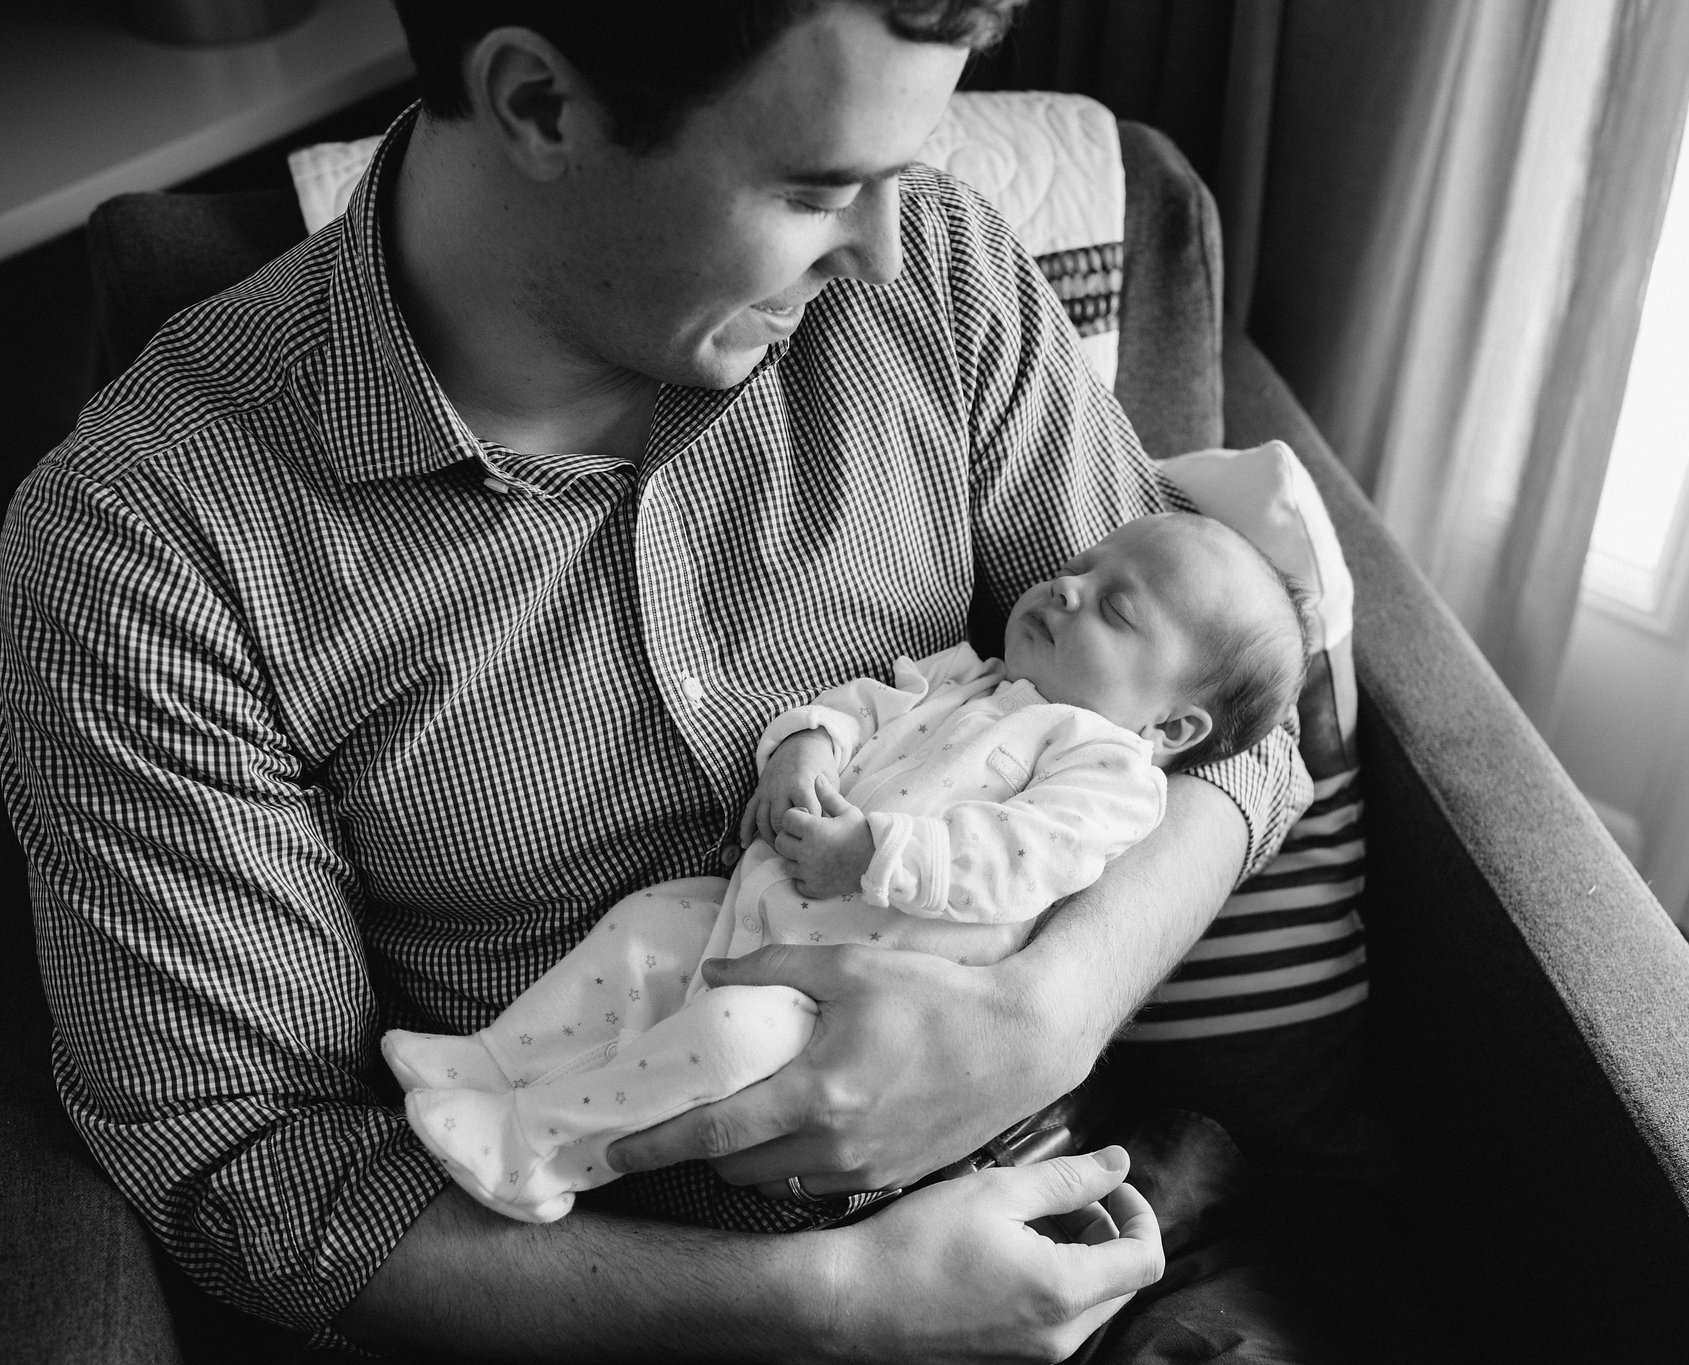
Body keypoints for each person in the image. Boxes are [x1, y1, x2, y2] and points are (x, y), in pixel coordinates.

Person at [0, 2, 1313, 1359]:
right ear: (538, 106)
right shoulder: (147, 544)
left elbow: (1230, 738)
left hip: (1082, 1218)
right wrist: (836, 1311)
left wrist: (1049, 1018)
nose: (879, 249)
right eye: (816, 189)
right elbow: (254, 1172)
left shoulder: (945, 275)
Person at [384, 512, 1310, 1226]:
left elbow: (1018, 859)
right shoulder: (971, 678)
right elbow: (858, 704)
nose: (1068, 589)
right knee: (641, 928)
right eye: (1081, 567)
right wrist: (803, 752)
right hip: (746, 912)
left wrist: (874, 855)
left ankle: (539, 1148)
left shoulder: (1109, 771)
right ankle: (493, 1062)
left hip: (836, 1010)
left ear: (1172, 728)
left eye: (1114, 608)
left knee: (726, 1041)